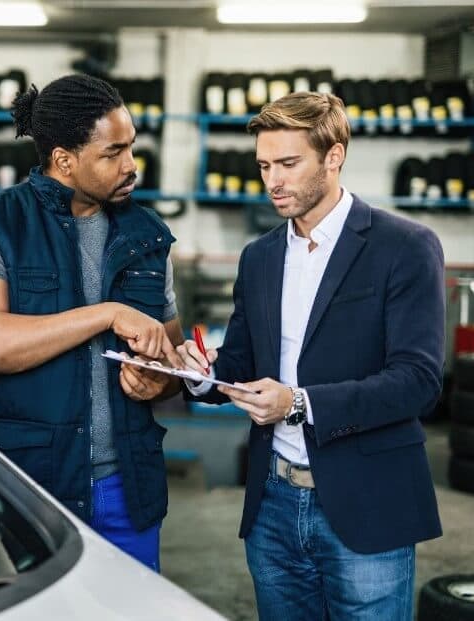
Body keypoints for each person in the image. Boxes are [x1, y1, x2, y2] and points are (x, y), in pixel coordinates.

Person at [177, 91, 444, 620]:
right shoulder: (260, 257)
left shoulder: (404, 247)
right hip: (273, 503)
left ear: (334, 156)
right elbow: (245, 361)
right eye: (263, 165)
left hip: (366, 501)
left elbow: (419, 381)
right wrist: (202, 375)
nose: (272, 180)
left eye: (288, 164)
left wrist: (298, 404)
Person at [0, 74, 184, 572]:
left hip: (127, 490)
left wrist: (157, 379)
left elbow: (173, 362)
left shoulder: (148, 237)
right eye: (113, 152)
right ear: (64, 159)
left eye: (132, 147)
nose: (131, 165)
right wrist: (106, 314)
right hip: (25, 488)